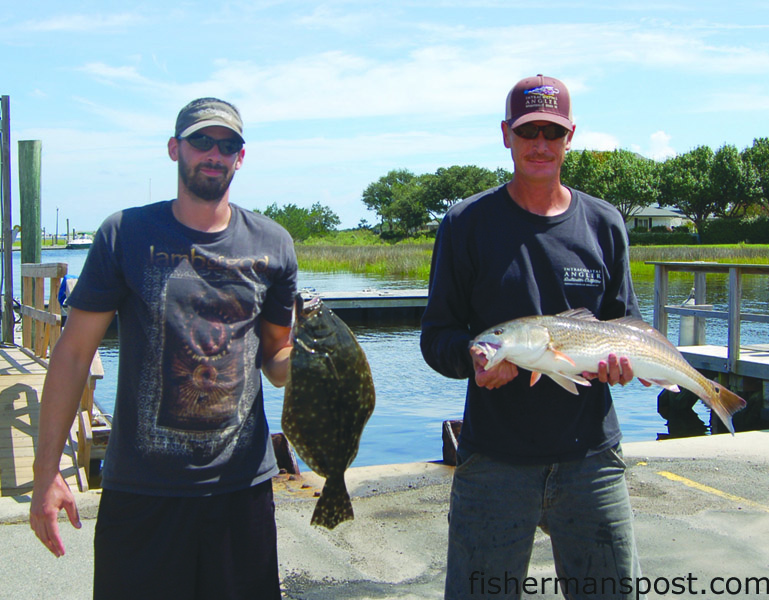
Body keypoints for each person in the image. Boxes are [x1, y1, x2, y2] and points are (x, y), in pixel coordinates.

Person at [30, 98, 297, 600]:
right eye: (201, 141)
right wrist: (47, 475)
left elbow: (277, 361)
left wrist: (317, 360)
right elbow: (71, 356)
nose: (214, 154)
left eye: (228, 145)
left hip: (240, 492)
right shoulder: (125, 234)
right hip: (142, 493)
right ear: (175, 148)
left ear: (241, 157)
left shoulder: (274, 244)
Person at [420, 75, 648, 599]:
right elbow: (437, 336)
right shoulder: (464, 224)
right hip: (494, 462)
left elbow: (626, 324)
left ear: (571, 137)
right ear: (506, 135)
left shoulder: (604, 224)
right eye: (528, 132)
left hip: (592, 461)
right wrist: (471, 361)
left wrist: (625, 366)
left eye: (552, 131)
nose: (540, 145)